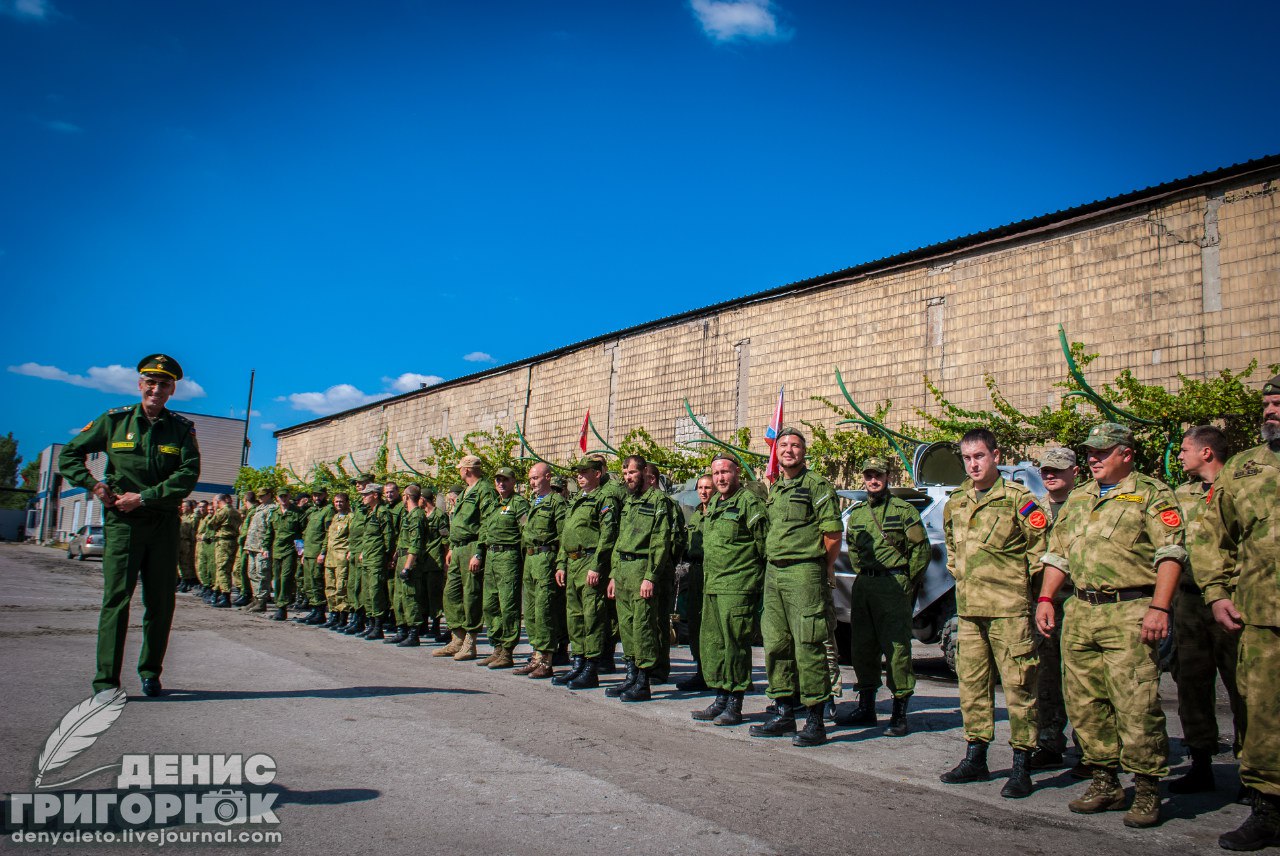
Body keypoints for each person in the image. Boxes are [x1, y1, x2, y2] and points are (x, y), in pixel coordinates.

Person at [1036, 422, 1187, 829]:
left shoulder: (1151, 494)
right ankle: (1105, 781)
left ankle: (1148, 787)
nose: (1093, 459)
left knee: (1136, 704)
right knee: (1086, 702)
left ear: (1126, 454)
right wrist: (1047, 598)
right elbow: (1058, 554)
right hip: (1082, 610)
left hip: (1130, 608)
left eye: (1102, 452)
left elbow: (1171, 552)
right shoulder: (1081, 497)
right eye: (1090, 452)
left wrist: (1160, 607)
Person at [58, 353, 200, 696]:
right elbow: (69, 456)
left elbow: (188, 473)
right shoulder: (114, 422)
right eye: (150, 382)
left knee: (161, 601)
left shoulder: (180, 429)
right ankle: (106, 680)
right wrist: (94, 485)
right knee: (117, 600)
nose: (156, 389)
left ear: (172, 391)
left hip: (163, 522)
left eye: (164, 384)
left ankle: (151, 671)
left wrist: (147, 497)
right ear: (140, 385)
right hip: (123, 523)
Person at [1196, 375, 1280, 850]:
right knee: (1263, 712)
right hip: (1263, 613)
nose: (1271, 410)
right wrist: (1215, 591)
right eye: (1267, 403)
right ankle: (1269, 807)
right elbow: (1212, 534)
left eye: (1279, 403)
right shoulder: (1247, 467)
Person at [940, 429, 1047, 798]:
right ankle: (976, 755)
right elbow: (953, 551)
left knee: (1019, 686)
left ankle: (1022, 764)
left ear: (995, 456)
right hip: (969, 612)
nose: (973, 464)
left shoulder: (1018, 498)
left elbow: (1039, 552)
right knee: (972, 686)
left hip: (1009, 612)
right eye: (967, 458)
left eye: (979, 456)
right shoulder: (957, 501)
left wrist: (1027, 596)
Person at [750, 427, 843, 747]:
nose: (788, 450)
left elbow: (832, 535)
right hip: (774, 573)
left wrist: (824, 568)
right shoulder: (776, 488)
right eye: (783, 445)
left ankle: (816, 719)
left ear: (804, 452)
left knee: (809, 644)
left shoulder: (816, 485)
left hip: (804, 572)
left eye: (795, 446)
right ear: (776, 452)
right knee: (776, 644)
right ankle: (784, 711)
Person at [1170, 425, 1244, 795]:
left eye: (1185, 450)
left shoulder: (1239, 489)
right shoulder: (1180, 495)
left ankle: (1253, 771)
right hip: (1188, 602)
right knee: (1191, 684)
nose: (1180, 455)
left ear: (1207, 453)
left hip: (1233, 602)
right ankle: (1201, 763)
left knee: (1242, 686)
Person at [837, 457, 929, 737]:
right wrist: (865, 573)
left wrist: (905, 583)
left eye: (878, 475)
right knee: (862, 647)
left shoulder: (903, 511)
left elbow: (921, 550)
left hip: (893, 584)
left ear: (887, 477)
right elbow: (852, 547)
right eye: (868, 476)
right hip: (865, 584)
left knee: (897, 649)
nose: (873, 480)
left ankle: (899, 712)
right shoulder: (859, 513)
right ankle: (866, 706)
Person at [691, 454, 767, 726]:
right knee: (714, 644)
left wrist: (757, 584)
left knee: (735, 645)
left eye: (726, 472)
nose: (721, 478)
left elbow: (764, 546)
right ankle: (720, 697)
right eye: (716, 473)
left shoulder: (748, 502)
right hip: (713, 586)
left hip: (738, 586)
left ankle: (735, 703)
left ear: (736, 473)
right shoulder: (714, 504)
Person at [1029, 447, 1085, 773]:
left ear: (1075, 473)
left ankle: (1091, 750)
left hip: (1080, 601)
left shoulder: (1087, 507)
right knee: (1046, 677)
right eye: (1046, 470)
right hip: (1045, 604)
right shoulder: (1034, 509)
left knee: (1082, 680)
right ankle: (1049, 742)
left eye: (1058, 470)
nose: (1051, 475)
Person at [606, 455, 672, 702]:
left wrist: (651, 577)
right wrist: (613, 574)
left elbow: (660, 542)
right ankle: (631, 676)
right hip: (623, 571)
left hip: (642, 570)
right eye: (625, 474)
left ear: (645, 472)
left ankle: (643, 681)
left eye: (632, 473)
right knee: (627, 627)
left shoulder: (658, 501)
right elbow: (620, 540)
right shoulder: (628, 502)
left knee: (643, 626)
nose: (628, 478)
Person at [554, 457, 620, 688]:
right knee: (575, 616)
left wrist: (598, 566)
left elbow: (607, 534)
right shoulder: (577, 500)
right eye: (578, 473)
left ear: (597, 474)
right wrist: (561, 563)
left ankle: (591, 666)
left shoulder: (604, 497)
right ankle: (578, 662)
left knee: (592, 615)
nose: (579, 476)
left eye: (584, 472)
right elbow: (567, 535)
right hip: (573, 562)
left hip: (589, 561)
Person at [437, 456, 499, 660]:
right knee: (451, 593)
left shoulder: (485, 490)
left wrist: (479, 552)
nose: (459, 472)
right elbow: (458, 522)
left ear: (467, 470)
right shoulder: (465, 492)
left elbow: (486, 523)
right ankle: (456, 638)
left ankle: (470, 641)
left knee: (471, 595)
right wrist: (452, 547)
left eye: (460, 469)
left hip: (472, 546)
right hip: (458, 548)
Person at [517, 463, 566, 679]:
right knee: (531, 610)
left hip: (546, 558)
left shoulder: (557, 503)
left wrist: (560, 564)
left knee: (544, 609)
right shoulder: (533, 503)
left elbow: (564, 535)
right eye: (530, 479)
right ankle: (536, 655)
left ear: (548, 477)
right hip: (530, 559)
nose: (532, 483)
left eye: (535, 478)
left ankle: (546, 660)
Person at [478, 467, 529, 668]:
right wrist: (479, 553)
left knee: (508, 605)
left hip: (509, 556)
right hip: (491, 556)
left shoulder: (518, 504)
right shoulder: (492, 505)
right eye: (498, 480)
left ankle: (507, 651)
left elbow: (525, 531)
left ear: (513, 482)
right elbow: (484, 530)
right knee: (490, 604)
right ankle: (496, 647)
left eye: (505, 480)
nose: (501, 483)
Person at [677, 474, 714, 692]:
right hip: (695, 572)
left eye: (708, 487)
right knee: (695, 624)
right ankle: (701, 670)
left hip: (714, 572)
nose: (703, 491)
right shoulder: (696, 515)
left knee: (712, 627)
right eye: (700, 487)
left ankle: (715, 673)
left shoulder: (718, 513)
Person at [386, 484, 427, 647]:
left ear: (407, 497)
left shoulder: (417, 516)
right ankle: (401, 629)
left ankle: (413, 633)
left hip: (410, 560)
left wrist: (407, 566)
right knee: (399, 596)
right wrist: (396, 556)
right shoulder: (408, 515)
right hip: (402, 557)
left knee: (410, 597)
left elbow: (416, 543)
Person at [264, 488, 305, 621]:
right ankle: (278, 605)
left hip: (290, 550)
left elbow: (301, 533)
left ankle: (282, 607)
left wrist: (301, 551)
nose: (283, 499)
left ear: (289, 496)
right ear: (277, 498)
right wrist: (265, 547)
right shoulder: (274, 513)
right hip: (277, 550)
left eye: (285, 496)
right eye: (281, 497)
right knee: (277, 578)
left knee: (286, 577)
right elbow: (270, 532)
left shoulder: (297, 513)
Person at [297, 487, 334, 626]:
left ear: (325, 495)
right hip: (308, 552)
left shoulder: (328, 510)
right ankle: (313, 609)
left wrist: (323, 552)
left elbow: (327, 533)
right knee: (308, 582)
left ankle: (319, 612)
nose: (317, 497)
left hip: (317, 553)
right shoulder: (313, 511)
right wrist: (303, 551)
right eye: (315, 495)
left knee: (317, 582)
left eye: (320, 495)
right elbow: (306, 532)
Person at [318, 492, 352, 631]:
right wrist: (322, 552)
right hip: (330, 557)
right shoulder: (335, 518)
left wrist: (350, 551)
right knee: (330, 586)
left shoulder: (350, 518)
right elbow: (329, 537)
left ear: (347, 502)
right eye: (336, 502)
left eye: (341, 501)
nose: (338, 504)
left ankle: (342, 616)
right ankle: (333, 614)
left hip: (342, 556)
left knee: (341, 586)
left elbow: (352, 537)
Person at [419, 487, 449, 641]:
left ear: (424, 499)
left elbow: (445, 540)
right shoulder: (421, 515)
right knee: (423, 593)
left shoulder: (439, 516)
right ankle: (424, 624)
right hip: (424, 559)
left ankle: (436, 625)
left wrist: (445, 560)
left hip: (435, 559)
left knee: (434, 594)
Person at [243, 487, 275, 613]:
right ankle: (256, 598)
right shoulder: (259, 508)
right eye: (259, 496)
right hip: (252, 546)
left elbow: (269, 529)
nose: (260, 498)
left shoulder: (271, 509)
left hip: (262, 546)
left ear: (269, 495)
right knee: (252, 573)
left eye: (263, 495)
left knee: (262, 574)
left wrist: (266, 546)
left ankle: (262, 601)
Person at [207, 493, 242, 609]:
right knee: (226, 568)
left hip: (224, 541)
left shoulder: (223, 511)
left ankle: (225, 595)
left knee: (222, 569)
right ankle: (218, 592)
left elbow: (211, 524)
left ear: (218, 502)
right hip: (233, 541)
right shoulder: (235, 511)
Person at [231, 492, 258, 606]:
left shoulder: (253, 512)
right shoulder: (250, 512)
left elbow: (249, 530)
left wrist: (242, 539)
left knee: (247, 570)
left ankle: (247, 593)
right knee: (242, 569)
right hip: (245, 544)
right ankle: (245, 592)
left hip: (249, 545)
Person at [176, 500, 198, 592]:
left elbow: (193, 530)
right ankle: (182, 580)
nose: (182, 508)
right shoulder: (181, 517)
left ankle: (187, 581)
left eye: (184, 506)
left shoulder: (193, 517)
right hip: (179, 541)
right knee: (180, 563)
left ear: (189, 507)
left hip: (187, 542)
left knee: (186, 562)